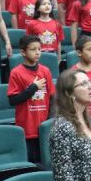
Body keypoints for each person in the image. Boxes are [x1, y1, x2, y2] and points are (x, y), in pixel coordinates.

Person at [8, 34, 55, 162]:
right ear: (23, 52)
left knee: (46, 161)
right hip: (27, 127)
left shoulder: (45, 71)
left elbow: (52, 97)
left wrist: (50, 120)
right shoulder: (16, 72)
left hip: (44, 126)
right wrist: (33, 88)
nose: (37, 52)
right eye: (33, 49)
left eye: (39, 49)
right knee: (32, 161)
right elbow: (13, 100)